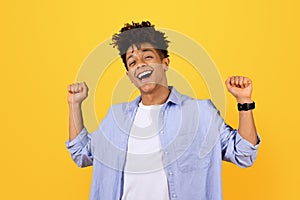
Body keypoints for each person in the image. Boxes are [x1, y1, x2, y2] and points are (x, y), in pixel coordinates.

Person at [66, 21, 260, 200]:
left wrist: (244, 102)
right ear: (129, 75)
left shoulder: (200, 113)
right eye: (132, 62)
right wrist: (74, 104)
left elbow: (244, 154)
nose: (140, 63)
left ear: (165, 63)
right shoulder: (116, 118)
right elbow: (81, 153)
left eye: (147, 56)